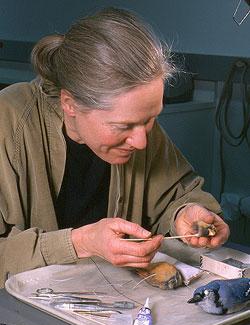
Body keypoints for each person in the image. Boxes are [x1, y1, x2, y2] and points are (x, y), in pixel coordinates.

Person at [0, 7, 229, 288]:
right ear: (70, 103)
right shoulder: (9, 122)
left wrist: (186, 214)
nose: (142, 142)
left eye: (150, 120)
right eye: (122, 127)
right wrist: (82, 243)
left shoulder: (136, 124)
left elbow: (176, 195)